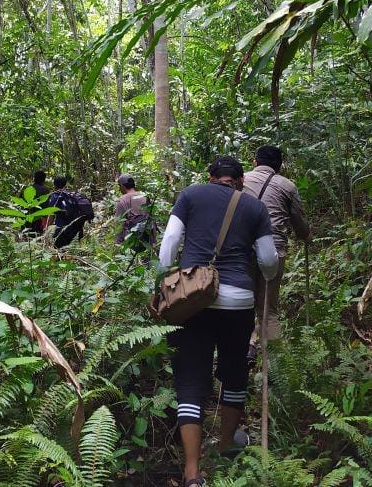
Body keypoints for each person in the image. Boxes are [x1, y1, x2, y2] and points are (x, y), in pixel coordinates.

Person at [159, 156, 279, 487]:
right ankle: (227, 443)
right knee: (234, 372)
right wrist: (268, 275)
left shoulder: (190, 195)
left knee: (190, 381)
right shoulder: (254, 207)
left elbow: (169, 245)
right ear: (240, 181)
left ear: (210, 177)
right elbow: (268, 260)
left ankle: (192, 473)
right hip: (238, 302)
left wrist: (165, 279)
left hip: (193, 300)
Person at [242, 145, 310, 342]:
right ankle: (273, 364)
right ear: (279, 166)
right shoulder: (287, 186)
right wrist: (306, 236)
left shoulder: (241, 180)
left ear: (255, 162)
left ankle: (244, 352)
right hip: (273, 250)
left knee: (242, 306)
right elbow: (300, 225)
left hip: (241, 250)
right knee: (268, 310)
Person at [48, 175, 86, 248]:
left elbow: (51, 216)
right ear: (65, 184)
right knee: (73, 254)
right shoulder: (73, 195)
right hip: (77, 230)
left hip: (62, 231)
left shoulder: (55, 196)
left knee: (60, 254)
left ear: (54, 185)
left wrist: (47, 231)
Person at [114, 173, 151, 248]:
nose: (119, 189)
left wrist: (117, 244)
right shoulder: (145, 197)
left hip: (130, 242)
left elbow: (119, 224)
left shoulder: (122, 200)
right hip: (147, 241)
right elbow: (151, 219)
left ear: (123, 186)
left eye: (119, 186)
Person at [23, 170, 51, 235]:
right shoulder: (45, 190)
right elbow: (47, 206)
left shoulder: (27, 188)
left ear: (34, 178)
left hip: (27, 217)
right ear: (44, 179)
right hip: (40, 218)